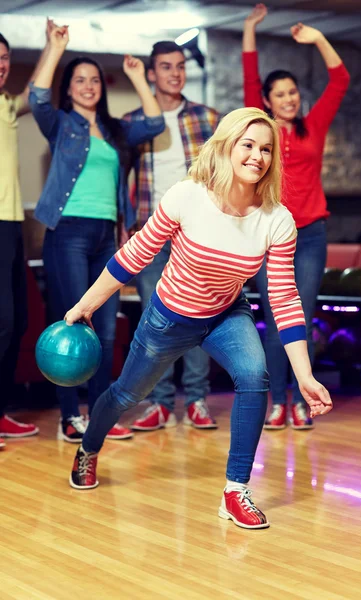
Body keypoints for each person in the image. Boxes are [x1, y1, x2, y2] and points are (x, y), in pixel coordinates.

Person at [65, 107, 333, 530]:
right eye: (248, 145)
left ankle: (235, 491)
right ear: (227, 146)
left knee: (254, 374)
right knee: (125, 396)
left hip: (226, 314)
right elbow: (135, 255)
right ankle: (89, 448)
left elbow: (283, 297)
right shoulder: (188, 196)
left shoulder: (277, 220)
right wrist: (86, 304)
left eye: (266, 149)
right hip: (169, 317)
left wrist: (303, 375)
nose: (257, 156)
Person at [29, 24, 165, 443]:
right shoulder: (60, 124)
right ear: (68, 89)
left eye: (93, 81)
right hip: (66, 233)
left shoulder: (115, 130)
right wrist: (56, 48)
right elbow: (36, 97)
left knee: (105, 332)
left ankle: (101, 416)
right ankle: (71, 417)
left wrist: (140, 77)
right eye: (79, 81)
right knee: (72, 323)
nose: (88, 87)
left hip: (108, 236)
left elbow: (156, 122)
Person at [242, 3, 350, 430]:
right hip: (270, 236)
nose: (289, 99)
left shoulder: (314, 125)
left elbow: (340, 80)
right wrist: (250, 29)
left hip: (310, 235)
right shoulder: (260, 131)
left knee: (300, 317)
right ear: (266, 102)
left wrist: (318, 39)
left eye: (293, 92)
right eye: (279, 94)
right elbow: (250, 75)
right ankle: (275, 402)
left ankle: (301, 401)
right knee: (273, 321)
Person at [124, 41, 220, 433]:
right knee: (155, 320)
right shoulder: (134, 122)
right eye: (166, 67)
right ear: (151, 74)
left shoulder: (209, 118)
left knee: (198, 318)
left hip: (197, 234)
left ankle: (196, 399)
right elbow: (119, 179)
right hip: (150, 231)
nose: (175, 73)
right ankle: (160, 402)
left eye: (180, 66)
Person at [0, 22, 55, 448]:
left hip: (12, 226)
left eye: (4, 60)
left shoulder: (4, 105)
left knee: (15, 323)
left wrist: (52, 48)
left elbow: (32, 93)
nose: (1, 66)